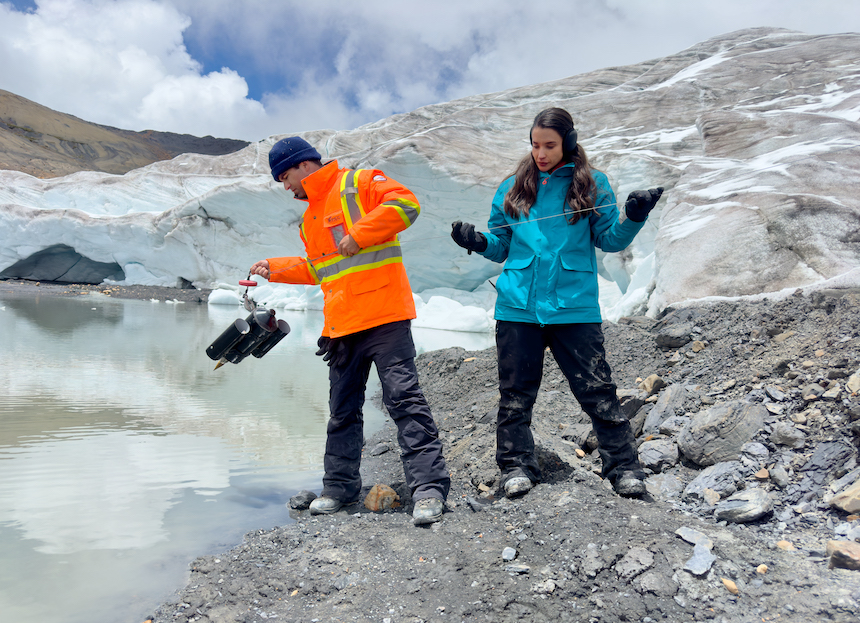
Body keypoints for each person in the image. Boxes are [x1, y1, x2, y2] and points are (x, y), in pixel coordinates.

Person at [450, 107, 663, 498]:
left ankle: (624, 468)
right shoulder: (512, 187)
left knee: (598, 392)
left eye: (549, 145)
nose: (541, 153)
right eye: (535, 145)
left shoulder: (592, 184)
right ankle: (515, 467)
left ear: (570, 141)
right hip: (518, 308)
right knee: (515, 395)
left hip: (574, 308)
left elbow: (610, 240)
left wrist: (634, 215)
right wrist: (477, 241)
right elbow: (502, 247)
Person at [250, 137, 450, 525]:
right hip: (343, 326)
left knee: (404, 402)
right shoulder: (310, 216)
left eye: (284, 176)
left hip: (385, 316)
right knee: (342, 412)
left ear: (303, 165)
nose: (284, 186)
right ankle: (339, 488)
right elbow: (320, 268)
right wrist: (274, 268)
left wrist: (360, 233)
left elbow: (406, 204)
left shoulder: (358, 183)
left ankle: (428, 490)